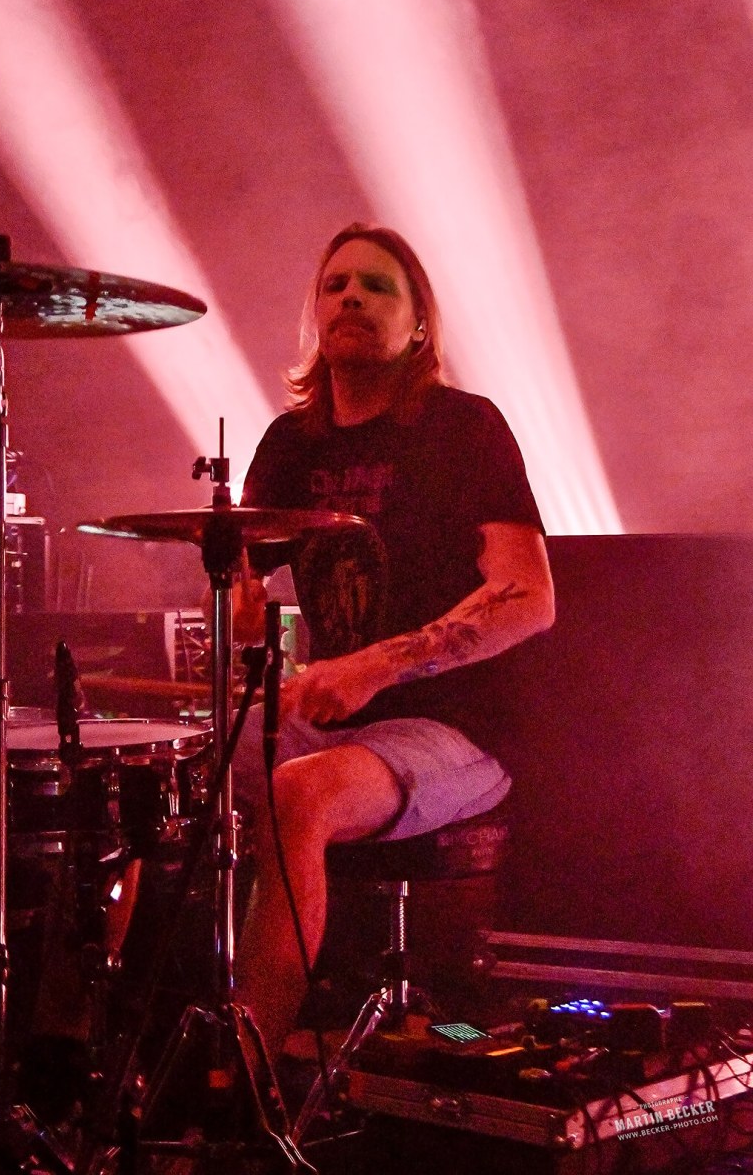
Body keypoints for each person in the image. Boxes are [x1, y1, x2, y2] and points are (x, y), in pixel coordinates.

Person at [230, 223, 555, 1060]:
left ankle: (251, 1076)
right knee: (153, 775)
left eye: (377, 286)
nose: (351, 298)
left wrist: (379, 664)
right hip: (332, 725)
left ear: (417, 324)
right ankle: (97, 1043)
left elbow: (530, 598)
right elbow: (240, 597)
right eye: (336, 284)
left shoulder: (465, 428)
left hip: (456, 727)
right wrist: (231, 594)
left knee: (299, 793)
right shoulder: (290, 444)